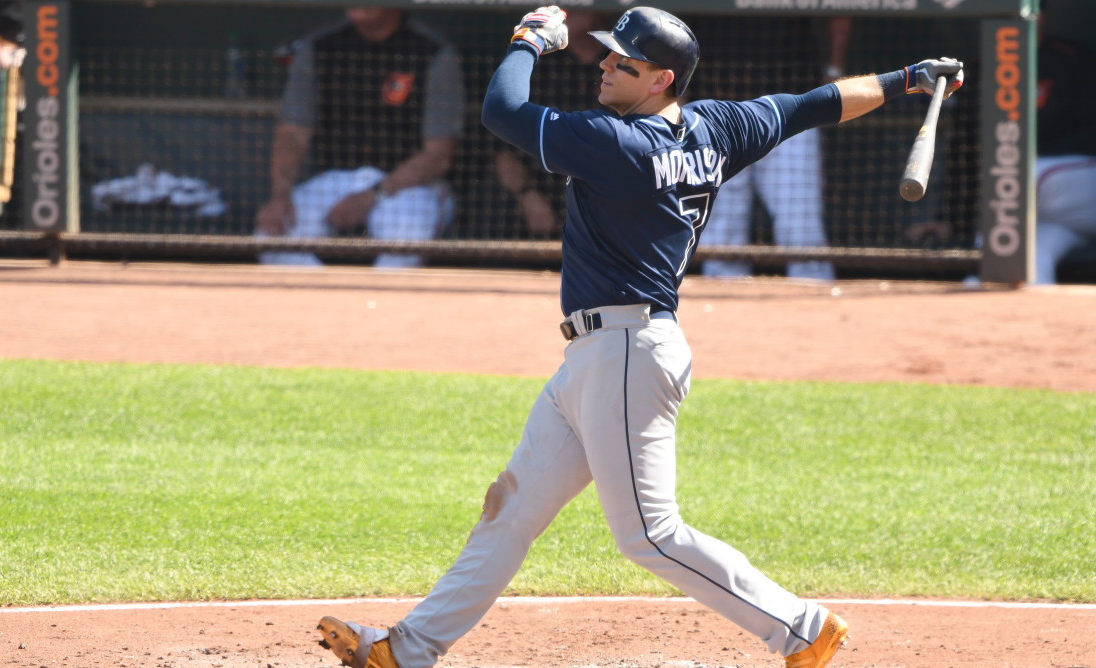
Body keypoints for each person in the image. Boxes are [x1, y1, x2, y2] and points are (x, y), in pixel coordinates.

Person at [313, 6, 962, 668]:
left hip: (626, 353)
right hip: (604, 359)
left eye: (623, 62)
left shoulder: (614, 143)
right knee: (508, 511)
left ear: (660, 79)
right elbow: (814, 105)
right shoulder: (716, 127)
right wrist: (906, 77)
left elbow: (502, 110)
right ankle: (410, 649)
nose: (604, 66)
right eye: (608, 54)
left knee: (650, 535)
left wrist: (528, 40)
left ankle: (801, 628)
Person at [255, 7, 463, 268]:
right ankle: (328, 304)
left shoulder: (432, 49)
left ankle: (374, 306)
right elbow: (293, 132)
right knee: (271, 236)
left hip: (408, 186)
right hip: (336, 180)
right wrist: (280, 194)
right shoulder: (321, 45)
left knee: (406, 243)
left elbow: (438, 155)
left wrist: (372, 195)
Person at [689, 15, 852, 281]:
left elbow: (839, 14)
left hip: (789, 109)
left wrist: (834, 69)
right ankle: (724, 305)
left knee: (800, 223)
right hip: (719, 108)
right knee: (722, 231)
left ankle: (815, 302)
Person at [1032, 1, 1096, 284]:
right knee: (1028, 259)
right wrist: (947, 218)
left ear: (1038, 18)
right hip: (1032, 211)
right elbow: (965, 150)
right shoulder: (982, 68)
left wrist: (1039, 153)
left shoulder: (1074, 60)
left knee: (1018, 175)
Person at [491, 10, 611, 238]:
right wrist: (527, 194)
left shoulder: (623, 66)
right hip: (545, 190)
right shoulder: (539, 69)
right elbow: (503, 149)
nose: (572, 10)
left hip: (608, 194)